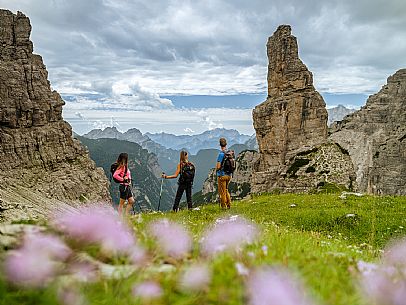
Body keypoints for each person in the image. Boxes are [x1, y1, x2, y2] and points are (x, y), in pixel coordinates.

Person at [216, 138, 231, 209]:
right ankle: (229, 204)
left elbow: (218, 166)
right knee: (226, 190)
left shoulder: (221, 154)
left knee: (222, 192)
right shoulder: (229, 153)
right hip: (229, 175)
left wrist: (216, 170)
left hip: (222, 176)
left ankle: (223, 206)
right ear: (226, 144)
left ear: (220, 145)